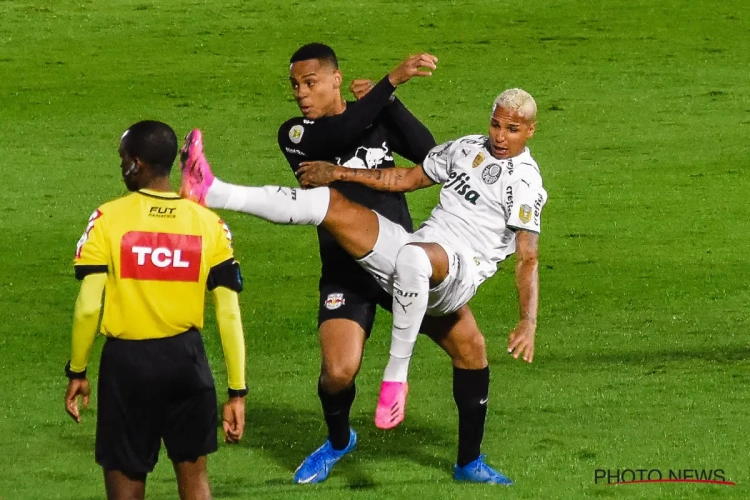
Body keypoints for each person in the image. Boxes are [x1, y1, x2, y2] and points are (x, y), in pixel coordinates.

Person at [179, 88, 545, 484]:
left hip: (458, 274)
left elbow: (527, 257)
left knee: (415, 259)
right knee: (328, 204)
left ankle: (396, 378)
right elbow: (405, 178)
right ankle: (212, 190)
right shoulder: (467, 148)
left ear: (530, 130)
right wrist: (340, 174)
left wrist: (528, 321)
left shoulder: (524, 181)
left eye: (512, 129)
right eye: (496, 125)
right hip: (416, 255)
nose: (500, 136)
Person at [272, 43, 437, 484]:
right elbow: (340, 135)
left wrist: (390, 102)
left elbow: (430, 155)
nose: (301, 93)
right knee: (337, 372)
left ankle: (469, 460)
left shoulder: (373, 115)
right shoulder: (296, 134)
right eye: (295, 85)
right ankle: (339, 440)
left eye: (310, 83)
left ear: (336, 79)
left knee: (469, 348)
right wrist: (390, 81)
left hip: (401, 265)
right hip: (345, 271)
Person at [64, 120, 248, 500]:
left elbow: (87, 307)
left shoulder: (108, 218)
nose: (121, 167)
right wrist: (237, 392)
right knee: (195, 485)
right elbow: (229, 313)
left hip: (127, 366)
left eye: (123, 160)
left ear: (137, 164)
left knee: (126, 488)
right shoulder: (210, 224)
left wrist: (77, 370)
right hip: (187, 361)